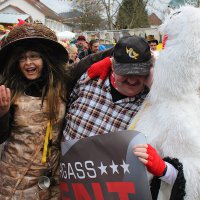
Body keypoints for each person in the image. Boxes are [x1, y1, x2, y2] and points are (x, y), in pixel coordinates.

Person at [0, 23, 110, 200]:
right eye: (22, 58)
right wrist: (2, 114)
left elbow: (86, 63)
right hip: (16, 181)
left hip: (54, 180)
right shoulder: (8, 90)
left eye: (34, 56)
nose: (28, 62)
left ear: (45, 58)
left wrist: (116, 53)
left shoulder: (62, 82)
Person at [131, 5, 200, 199]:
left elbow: (195, 173)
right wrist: (107, 62)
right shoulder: (159, 96)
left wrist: (165, 169)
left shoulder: (180, 113)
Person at [63, 35, 151, 140]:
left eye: (140, 73)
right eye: (125, 73)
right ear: (112, 65)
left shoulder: (152, 103)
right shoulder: (89, 79)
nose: (132, 80)